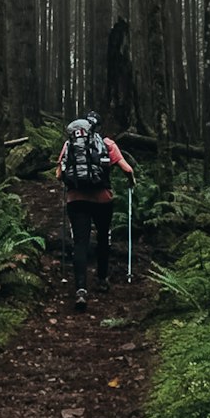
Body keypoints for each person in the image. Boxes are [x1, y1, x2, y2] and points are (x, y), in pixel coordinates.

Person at [57, 111, 135, 310]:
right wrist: (131, 181)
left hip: (76, 200)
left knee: (80, 242)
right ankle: (101, 279)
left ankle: (81, 289)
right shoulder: (107, 144)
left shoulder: (69, 144)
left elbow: (59, 174)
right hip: (102, 199)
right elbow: (127, 169)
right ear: (98, 128)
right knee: (102, 238)